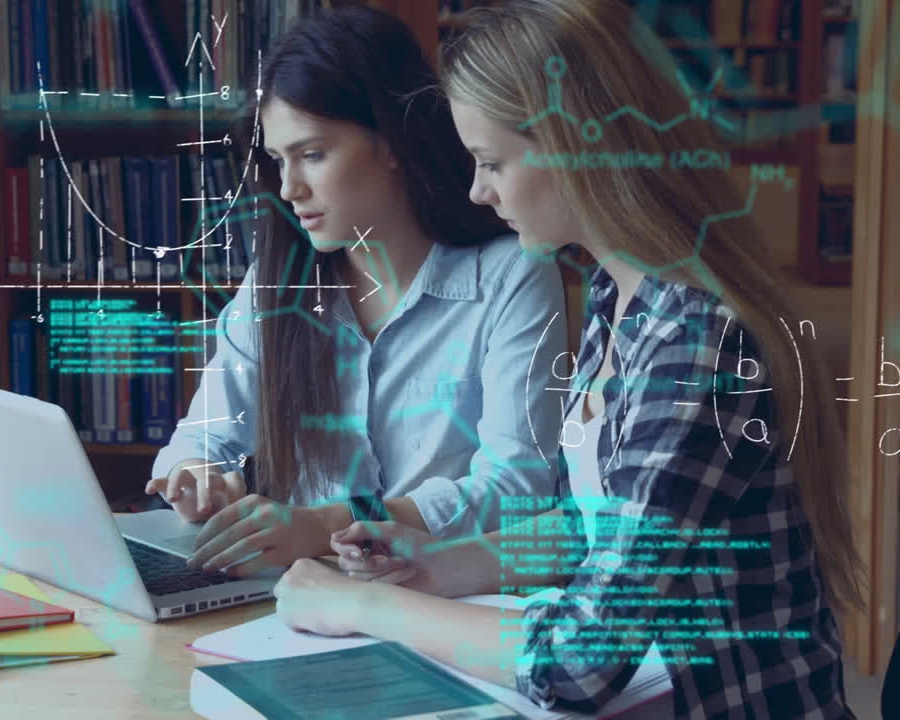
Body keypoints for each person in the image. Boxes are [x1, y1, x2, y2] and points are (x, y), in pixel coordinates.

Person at [271, 1, 864, 718]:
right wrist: (432, 569)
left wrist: (362, 606)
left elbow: (582, 660)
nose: (476, 191)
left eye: (492, 162)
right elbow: (590, 528)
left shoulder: (698, 347)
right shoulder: (618, 294)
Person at [143, 6, 568, 576]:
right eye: (278, 160)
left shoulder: (510, 275)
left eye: (313, 154)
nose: (290, 188)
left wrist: (325, 523)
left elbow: (517, 489)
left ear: (391, 141)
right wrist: (197, 478)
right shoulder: (275, 284)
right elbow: (202, 441)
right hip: (296, 595)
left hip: (441, 598)